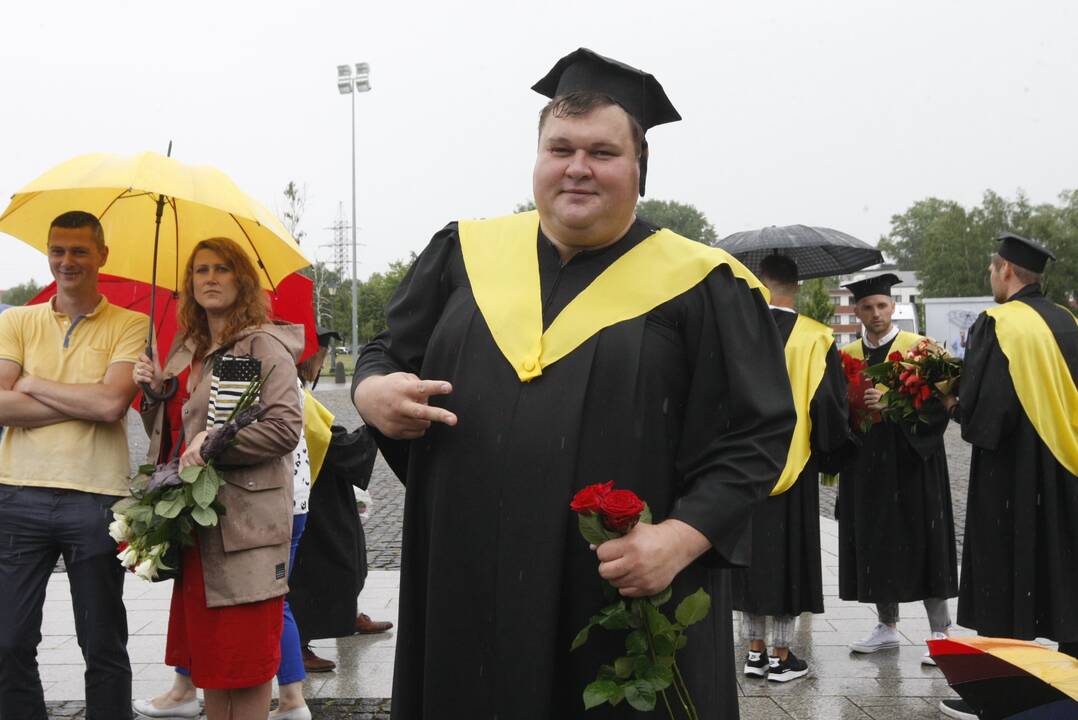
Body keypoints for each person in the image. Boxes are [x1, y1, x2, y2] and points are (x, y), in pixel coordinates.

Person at [352, 48, 795, 718]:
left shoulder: (704, 284)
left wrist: (678, 540)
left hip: (618, 589)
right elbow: (385, 351)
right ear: (537, 158)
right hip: (467, 579)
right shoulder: (463, 254)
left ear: (639, 166)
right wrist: (371, 390)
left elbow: (759, 433)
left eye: (603, 152)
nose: (578, 167)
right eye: (560, 147)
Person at [132, 236, 303, 720]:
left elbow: (284, 428)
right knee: (213, 665)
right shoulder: (193, 351)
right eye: (200, 270)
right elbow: (175, 438)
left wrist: (210, 444)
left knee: (245, 666)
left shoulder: (263, 344)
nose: (209, 277)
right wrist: (157, 393)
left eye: (222, 269)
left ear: (242, 280)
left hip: (247, 529)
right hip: (202, 529)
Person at [0, 210, 147, 720]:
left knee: (103, 642)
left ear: (102, 255)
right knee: (9, 640)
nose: (67, 261)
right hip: (17, 494)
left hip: (97, 497)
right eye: (58, 250)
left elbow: (111, 407)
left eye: (80, 250)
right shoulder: (16, 320)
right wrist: (83, 399)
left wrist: (34, 384)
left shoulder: (132, 324)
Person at [937, 234, 1077, 720]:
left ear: (1007, 271)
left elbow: (987, 419)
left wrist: (951, 400)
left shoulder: (997, 324)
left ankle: (1005, 691)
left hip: (1012, 476)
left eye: (992, 270)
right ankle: (1071, 682)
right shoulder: (1067, 320)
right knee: (1065, 572)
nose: (991, 278)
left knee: (1004, 574)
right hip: (1066, 470)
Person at [731, 254, 850, 683]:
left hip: (743, 467)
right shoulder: (816, 338)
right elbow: (829, 409)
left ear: (758, 285)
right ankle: (783, 656)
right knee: (788, 559)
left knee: (750, 558)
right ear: (796, 286)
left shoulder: (739, 334)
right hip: (794, 465)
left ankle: (754, 652)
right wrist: (834, 453)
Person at [837, 273, 958, 661]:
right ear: (856, 311)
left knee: (925, 541)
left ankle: (941, 633)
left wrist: (893, 407)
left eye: (883, 306)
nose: (876, 314)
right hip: (868, 465)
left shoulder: (920, 349)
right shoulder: (847, 356)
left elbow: (944, 404)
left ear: (894, 307)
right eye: (868, 307)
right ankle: (886, 627)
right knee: (878, 543)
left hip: (914, 464)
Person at [288, 327, 392, 677]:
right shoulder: (290, 388)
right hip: (309, 496)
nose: (323, 362)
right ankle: (297, 644)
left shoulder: (299, 388)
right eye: (321, 356)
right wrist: (374, 428)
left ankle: (347, 613)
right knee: (315, 567)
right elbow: (329, 444)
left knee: (348, 556)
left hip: (326, 494)